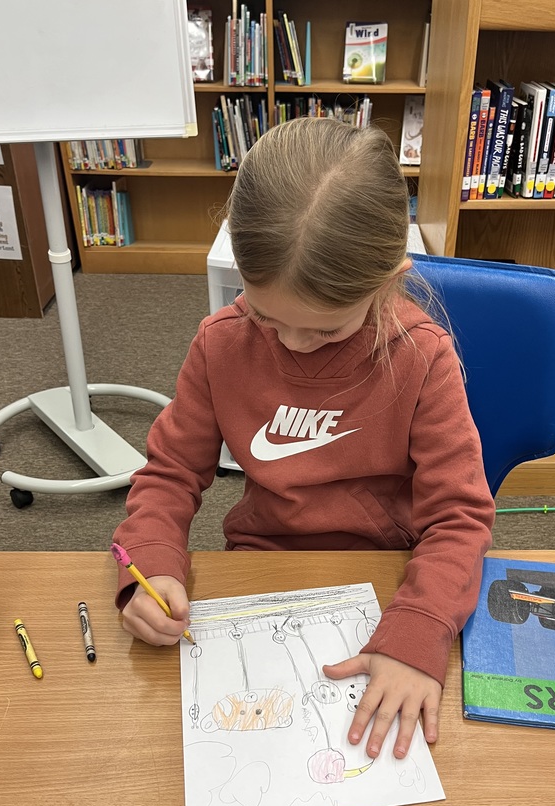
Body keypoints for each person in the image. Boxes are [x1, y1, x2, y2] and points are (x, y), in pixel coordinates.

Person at [113, 117, 495, 759]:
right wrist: (148, 563)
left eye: (323, 331)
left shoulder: (422, 358)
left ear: (389, 279)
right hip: (261, 567)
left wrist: (422, 627)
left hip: (390, 577)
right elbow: (170, 474)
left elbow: (459, 517)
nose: (291, 344)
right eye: (265, 313)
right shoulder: (221, 343)